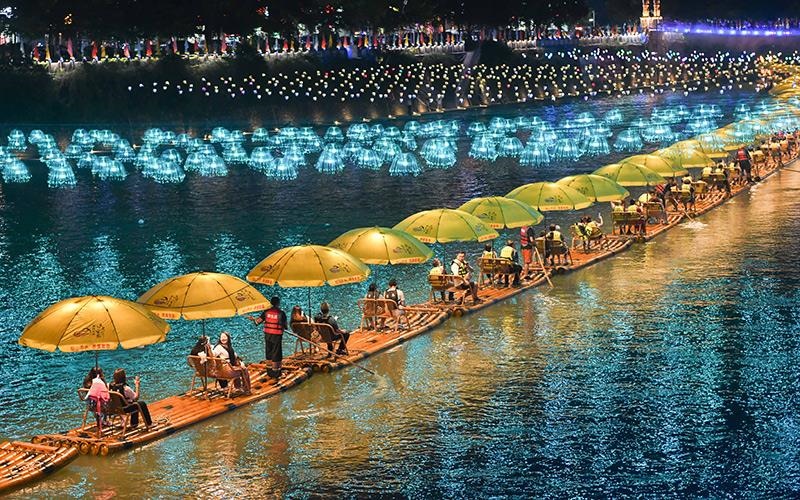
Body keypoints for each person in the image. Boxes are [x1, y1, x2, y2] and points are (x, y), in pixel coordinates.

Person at [250, 296, 287, 379]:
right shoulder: (281, 313)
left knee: (269, 351)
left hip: (267, 335)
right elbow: (285, 326)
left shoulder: (266, 312)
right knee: (276, 352)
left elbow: (257, 322)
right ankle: (276, 373)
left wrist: (253, 319)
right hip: (277, 335)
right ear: (278, 303)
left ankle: (269, 371)